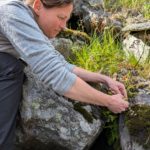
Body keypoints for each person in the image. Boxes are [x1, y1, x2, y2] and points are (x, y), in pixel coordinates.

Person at [0, 0, 129, 149]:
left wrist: (103, 79)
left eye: (67, 20)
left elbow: (59, 63)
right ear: (37, 6)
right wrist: (108, 101)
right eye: (61, 18)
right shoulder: (12, 13)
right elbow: (55, 75)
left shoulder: (31, 23)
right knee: (11, 66)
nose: (64, 26)